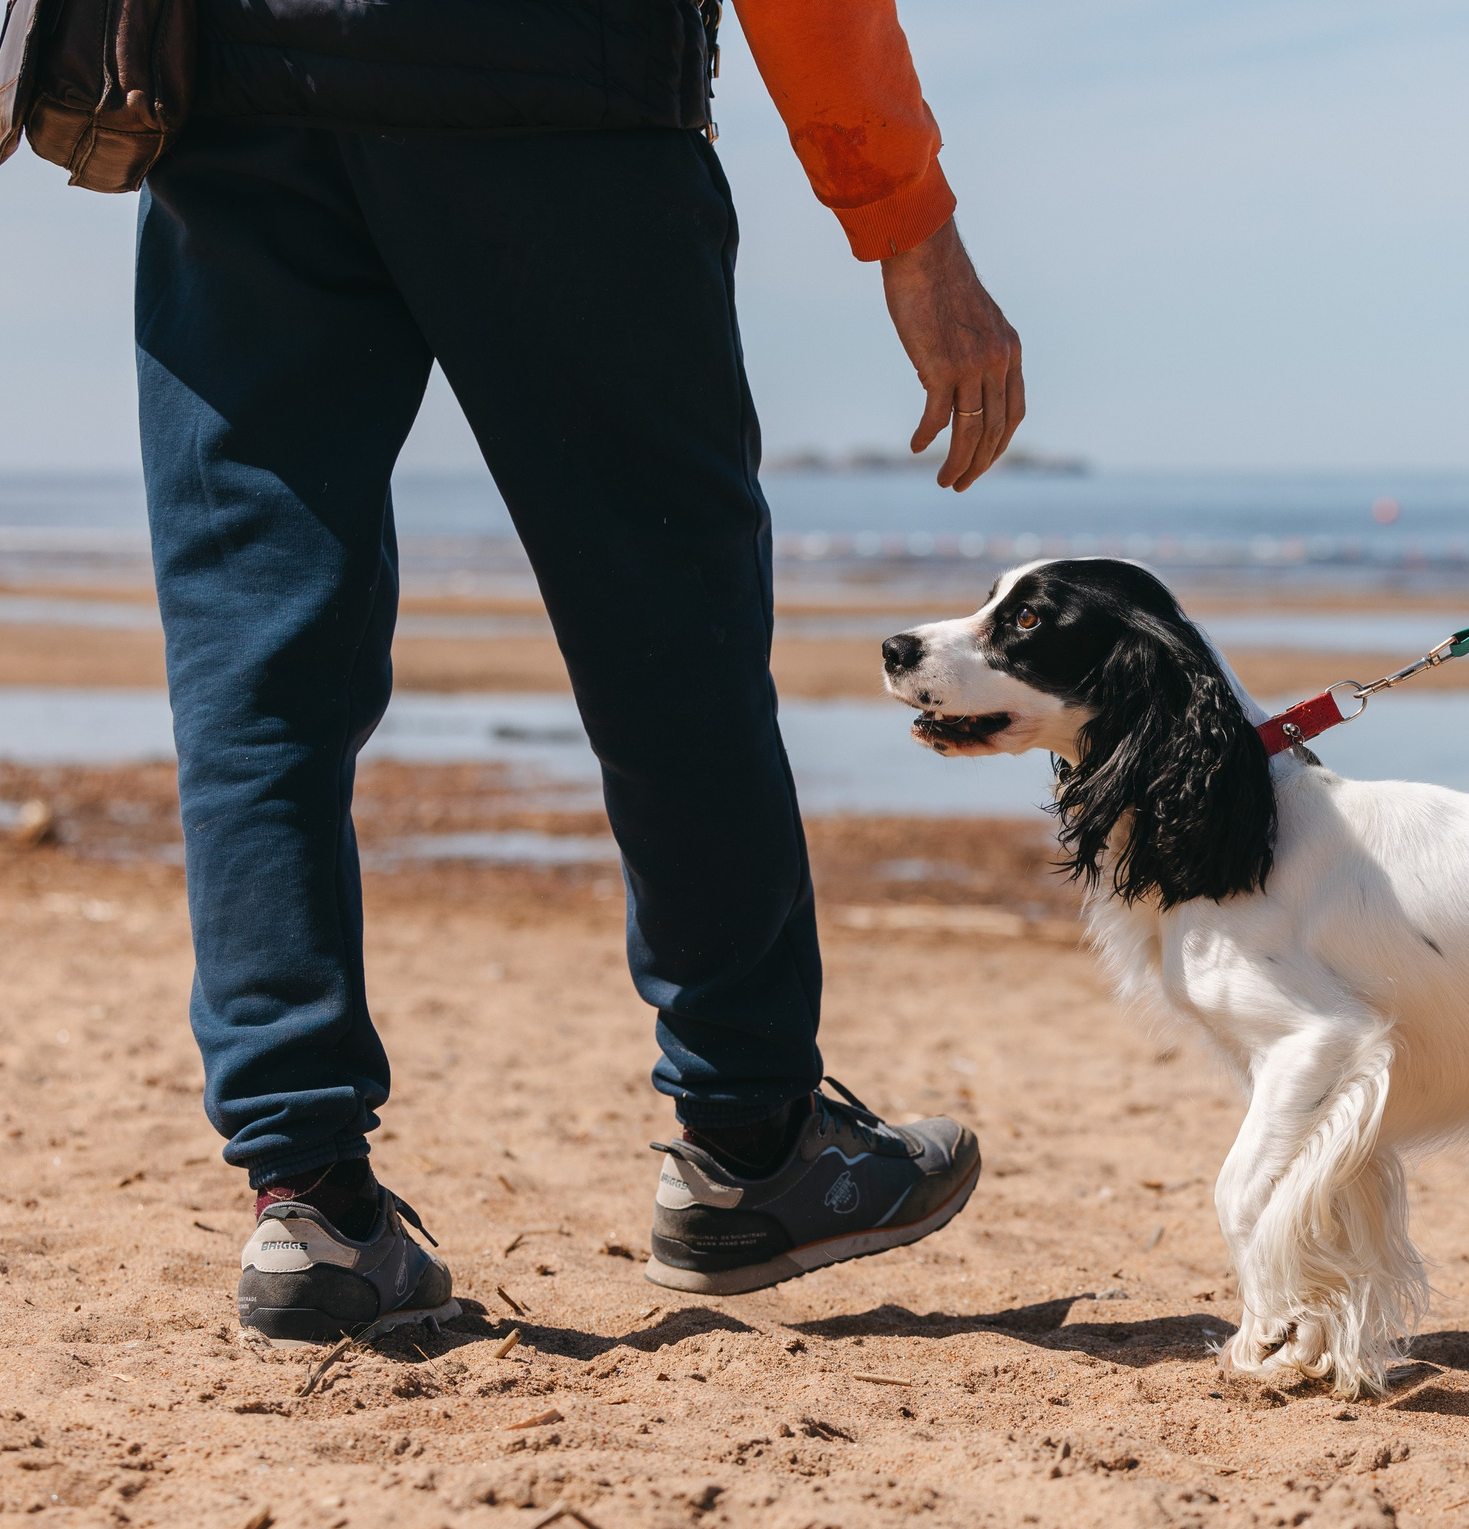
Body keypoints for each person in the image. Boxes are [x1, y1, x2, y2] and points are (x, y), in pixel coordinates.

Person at [131, 0, 1018, 1344]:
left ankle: (305, 1200)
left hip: (243, 100)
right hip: (561, 95)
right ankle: (751, 1144)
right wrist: (907, 222)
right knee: (671, 640)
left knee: (253, 672)